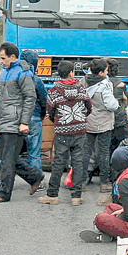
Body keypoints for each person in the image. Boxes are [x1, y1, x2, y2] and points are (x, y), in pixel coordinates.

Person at [0, 42, 43, 203]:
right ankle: (34, 176)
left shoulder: (23, 73)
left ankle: (4, 193)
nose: (1, 61)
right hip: (6, 120)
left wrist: (24, 122)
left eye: (3, 58)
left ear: (13, 56)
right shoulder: (6, 72)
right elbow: (2, 100)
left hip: (16, 121)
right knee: (8, 156)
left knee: (7, 159)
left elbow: (30, 98)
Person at [39, 61, 91, 206]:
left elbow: (50, 112)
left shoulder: (54, 90)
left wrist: (59, 120)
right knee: (78, 162)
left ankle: (53, 195)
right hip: (80, 130)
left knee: (58, 163)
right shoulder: (81, 89)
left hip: (62, 131)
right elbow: (89, 107)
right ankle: (76, 196)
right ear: (71, 73)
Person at [84, 59, 120, 193]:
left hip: (88, 121)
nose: (107, 73)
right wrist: (116, 102)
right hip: (104, 123)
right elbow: (112, 105)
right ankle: (104, 182)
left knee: (86, 151)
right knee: (104, 152)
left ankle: (83, 180)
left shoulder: (84, 81)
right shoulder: (104, 85)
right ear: (100, 73)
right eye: (106, 71)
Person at [18, 50, 47, 173]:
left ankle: (7, 182)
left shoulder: (14, 76)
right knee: (34, 152)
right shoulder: (36, 80)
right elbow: (44, 100)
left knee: (12, 152)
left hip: (17, 118)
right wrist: (41, 115)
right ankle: (35, 180)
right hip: (34, 118)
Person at [106, 58, 128, 153]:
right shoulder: (121, 84)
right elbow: (125, 100)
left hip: (105, 120)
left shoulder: (101, 83)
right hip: (119, 119)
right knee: (118, 144)